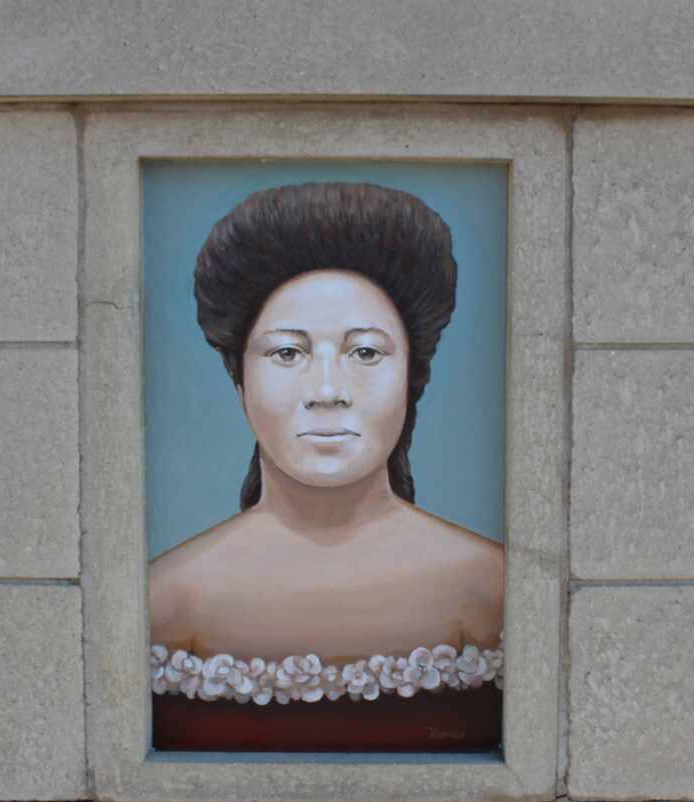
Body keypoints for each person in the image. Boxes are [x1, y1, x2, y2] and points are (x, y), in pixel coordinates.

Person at [149, 182, 504, 710]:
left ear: (411, 379)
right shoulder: (167, 599)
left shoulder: (493, 589)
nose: (327, 392)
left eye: (365, 352)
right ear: (240, 381)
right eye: (287, 353)